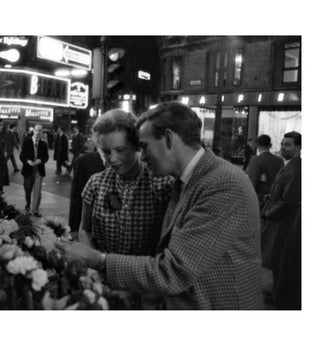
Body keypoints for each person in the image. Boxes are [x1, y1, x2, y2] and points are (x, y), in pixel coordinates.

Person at [56, 102, 263, 310]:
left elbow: (174, 271)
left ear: (169, 139)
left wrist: (98, 259)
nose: (143, 156)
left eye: (144, 146)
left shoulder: (222, 183)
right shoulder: (187, 180)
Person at [77, 109, 174, 257]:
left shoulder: (162, 184)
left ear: (136, 145)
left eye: (120, 150)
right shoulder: (95, 183)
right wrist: (90, 263)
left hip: (144, 275)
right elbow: (85, 230)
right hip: (101, 275)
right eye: (106, 152)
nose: (113, 158)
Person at [260, 131, 301, 307]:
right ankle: (277, 292)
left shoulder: (297, 168)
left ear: (298, 148)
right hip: (279, 220)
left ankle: (281, 297)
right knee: (276, 259)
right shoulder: (287, 165)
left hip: (285, 223)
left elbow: (288, 201)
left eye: (288, 144)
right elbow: (279, 193)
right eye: (282, 144)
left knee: (282, 259)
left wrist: (267, 213)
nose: (283, 147)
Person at [68, 146, 106, 236]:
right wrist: (74, 228)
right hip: (91, 228)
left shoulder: (124, 161)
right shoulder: (83, 161)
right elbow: (76, 196)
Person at [20, 124, 49, 217]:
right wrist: (27, 161)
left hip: (39, 171)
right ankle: (28, 205)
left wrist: (40, 160)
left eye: (40, 131)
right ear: (33, 131)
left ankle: (35, 210)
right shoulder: (27, 142)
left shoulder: (43, 144)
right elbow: (22, 156)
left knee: (38, 190)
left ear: (41, 133)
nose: (38, 133)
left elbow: (46, 157)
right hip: (28, 170)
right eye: (36, 130)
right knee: (27, 189)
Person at [247, 134, 284, 206]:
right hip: (276, 197)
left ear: (257, 145)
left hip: (261, 198)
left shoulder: (255, 160)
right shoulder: (280, 161)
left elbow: (253, 182)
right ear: (270, 145)